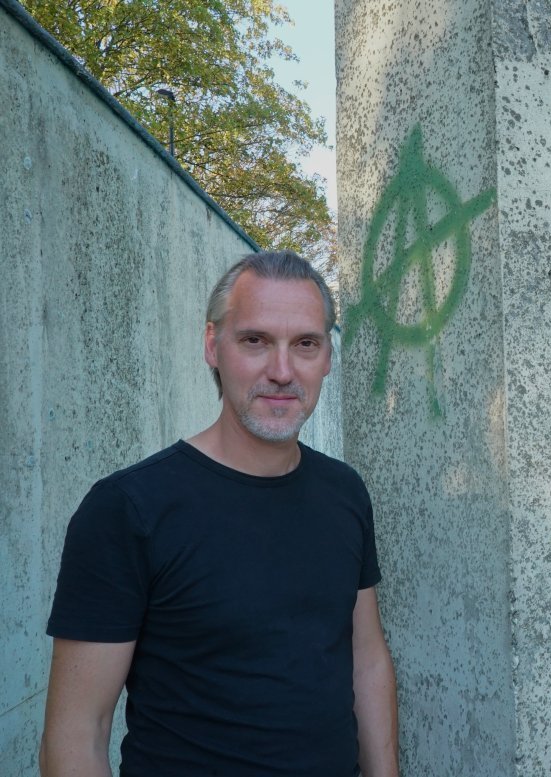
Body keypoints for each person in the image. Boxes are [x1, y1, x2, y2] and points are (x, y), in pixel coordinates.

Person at [40, 251, 399, 776]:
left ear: (327, 357)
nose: (282, 371)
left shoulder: (344, 492)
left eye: (305, 344)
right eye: (255, 341)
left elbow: (366, 659)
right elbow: (76, 734)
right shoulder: (128, 509)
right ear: (213, 345)